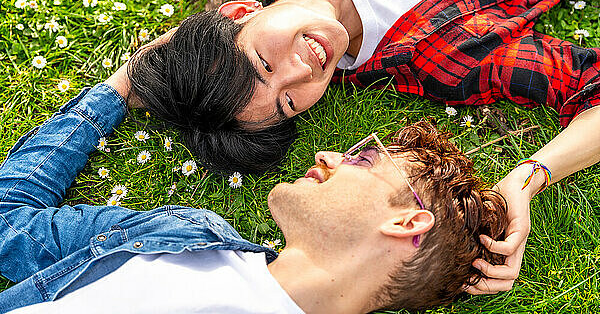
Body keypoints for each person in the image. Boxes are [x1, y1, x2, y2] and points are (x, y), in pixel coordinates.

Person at [129, 0, 600, 294]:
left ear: (237, 13)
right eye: (290, 102)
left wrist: (128, 80)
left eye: (262, 64)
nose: (299, 72)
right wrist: (528, 177)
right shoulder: (439, 58)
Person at [0, 64, 508, 313]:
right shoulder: (182, 234)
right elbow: (9, 224)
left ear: (406, 222)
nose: (328, 156)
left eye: (365, 156)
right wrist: (120, 89)